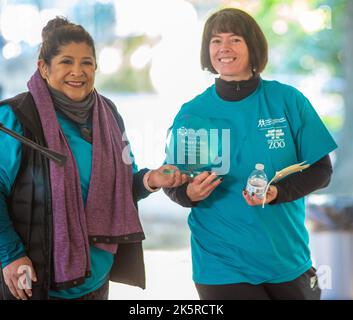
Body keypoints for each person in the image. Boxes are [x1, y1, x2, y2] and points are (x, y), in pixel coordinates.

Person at [0, 17, 187, 300]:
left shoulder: (108, 115)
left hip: (96, 279)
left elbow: (125, 185)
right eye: (66, 62)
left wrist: (150, 179)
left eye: (86, 62)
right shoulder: (14, 118)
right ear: (44, 68)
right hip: (33, 278)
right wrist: (10, 256)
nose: (78, 71)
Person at [164, 8, 337, 300]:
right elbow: (176, 183)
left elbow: (322, 170)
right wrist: (189, 193)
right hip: (220, 263)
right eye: (216, 41)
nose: (224, 48)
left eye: (235, 39)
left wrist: (277, 193)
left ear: (253, 47)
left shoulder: (286, 101)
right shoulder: (194, 113)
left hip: (287, 258)